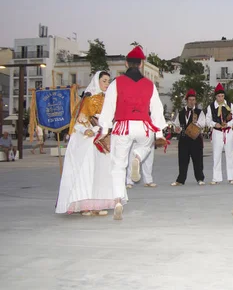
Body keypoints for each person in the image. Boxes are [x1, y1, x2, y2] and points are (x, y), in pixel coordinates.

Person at [98, 46, 167, 220]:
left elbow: (109, 107)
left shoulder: (116, 83)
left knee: (118, 165)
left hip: (123, 126)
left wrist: (105, 129)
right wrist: (158, 134)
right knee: (146, 145)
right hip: (143, 126)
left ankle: (118, 200)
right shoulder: (149, 85)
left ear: (126, 63)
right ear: (142, 64)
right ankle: (137, 156)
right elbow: (157, 110)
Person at [55, 71, 116, 216]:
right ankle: (84, 205)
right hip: (89, 142)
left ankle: (97, 204)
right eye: (104, 81)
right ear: (97, 81)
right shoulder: (88, 99)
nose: (107, 84)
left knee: (100, 173)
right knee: (87, 172)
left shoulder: (107, 99)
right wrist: (88, 130)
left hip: (103, 139)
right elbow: (80, 119)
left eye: (108, 81)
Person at [171, 89, 206, 186]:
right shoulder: (181, 112)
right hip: (183, 140)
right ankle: (180, 180)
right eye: (190, 100)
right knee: (182, 160)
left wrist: (195, 125)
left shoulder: (199, 112)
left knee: (198, 160)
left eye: (193, 100)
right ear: (187, 100)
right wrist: (176, 129)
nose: (191, 101)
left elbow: (203, 123)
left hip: (196, 139)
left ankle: (200, 178)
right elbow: (176, 125)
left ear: (195, 101)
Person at [206, 83, 233, 184]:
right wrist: (215, 124)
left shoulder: (229, 105)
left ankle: (231, 177)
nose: (221, 98)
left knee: (230, 154)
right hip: (217, 133)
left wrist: (228, 124)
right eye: (219, 96)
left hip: (228, 132)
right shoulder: (211, 107)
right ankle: (216, 178)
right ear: (216, 96)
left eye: (222, 96)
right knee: (216, 155)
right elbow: (208, 119)